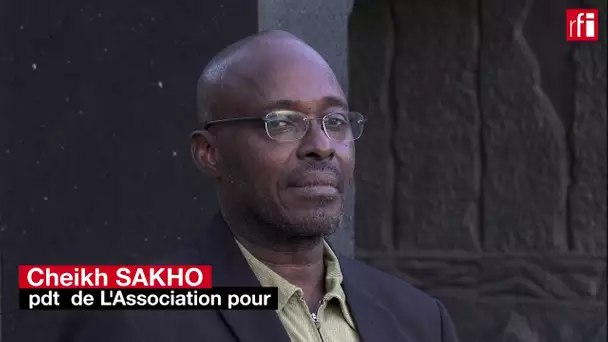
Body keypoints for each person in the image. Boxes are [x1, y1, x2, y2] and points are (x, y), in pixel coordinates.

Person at [57, 30, 459, 342]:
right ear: (209, 152)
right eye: (282, 123)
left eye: (335, 122)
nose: (321, 146)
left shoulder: (419, 321)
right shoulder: (132, 320)